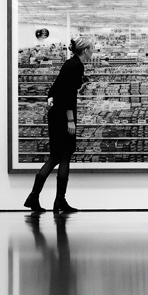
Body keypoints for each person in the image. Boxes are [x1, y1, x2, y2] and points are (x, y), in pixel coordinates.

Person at [24, 36, 94, 213]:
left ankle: (34, 197)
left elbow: (55, 89)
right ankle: (59, 200)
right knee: (64, 156)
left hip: (56, 114)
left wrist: (51, 101)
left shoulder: (70, 63)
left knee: (55, 156)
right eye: (92, 49)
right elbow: (68, 95)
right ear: (85, 50)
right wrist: (70, 119)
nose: (93, 51)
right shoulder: (77, 65)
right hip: (64, 115)